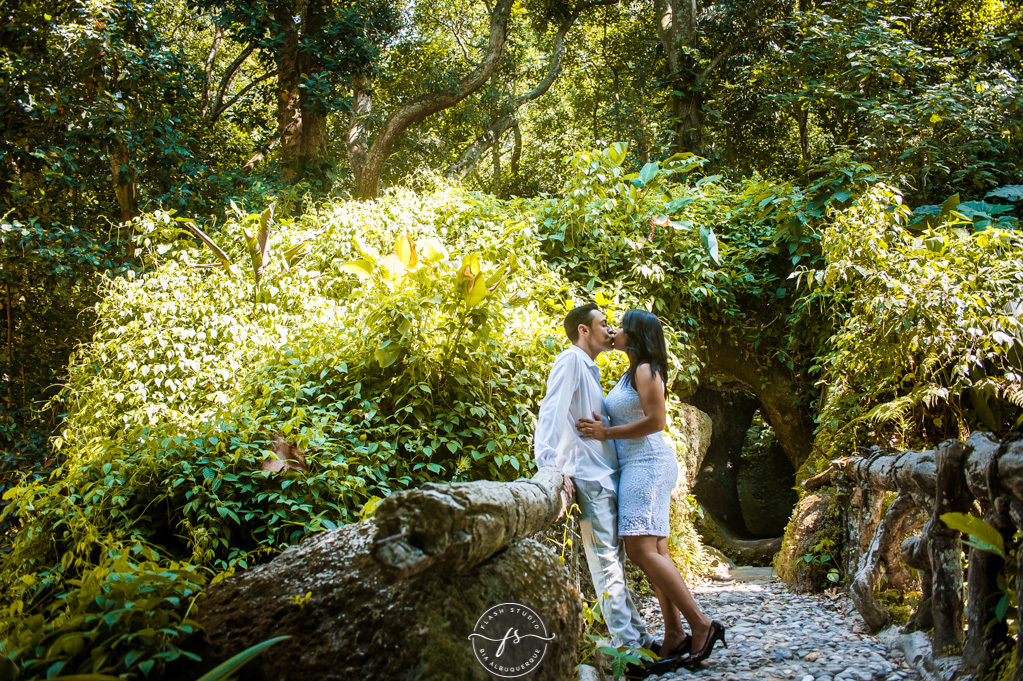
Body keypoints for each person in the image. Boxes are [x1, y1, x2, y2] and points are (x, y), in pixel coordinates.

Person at [576, 309, 726, 668]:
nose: (616, 331)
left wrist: (605, 432)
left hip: (647, 465)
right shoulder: (634, 370)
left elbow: (656, 422)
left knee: (641, 550)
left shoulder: (645, 370)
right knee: (656, 550)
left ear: (638, 334)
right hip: (639, 465)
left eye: (622, 327)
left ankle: (702, 624)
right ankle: (675, 634)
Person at [534, 303, 656, 653]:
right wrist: (550, 465)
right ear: (583, 331)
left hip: (605, 477)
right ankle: (628, 650)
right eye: (603, 324)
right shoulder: (571, 360)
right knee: (605, 564)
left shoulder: (591, 369)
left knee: (612, 562)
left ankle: (640, 639)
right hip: (589, 480)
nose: (610, 331)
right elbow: (552, 411)